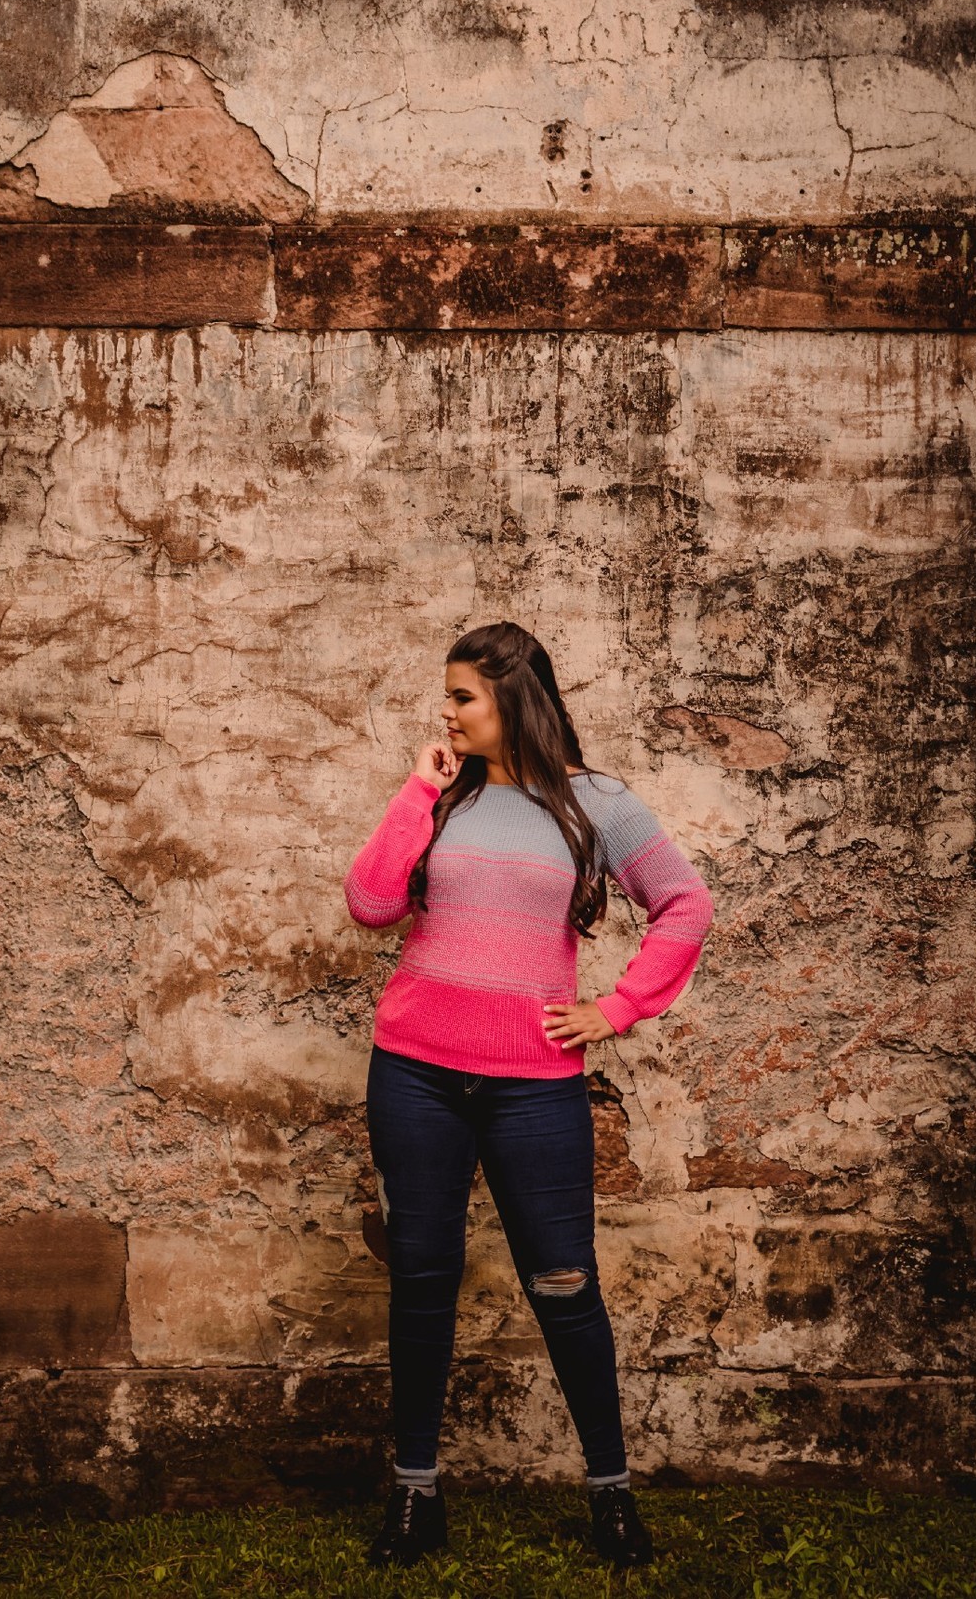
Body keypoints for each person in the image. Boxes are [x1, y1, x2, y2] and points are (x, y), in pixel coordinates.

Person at [342, 620, 715, 1570]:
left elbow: (684, 903)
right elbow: (374, 903)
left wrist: (618, 1008)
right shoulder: (443, 797)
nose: (449, 711)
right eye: (450, 696)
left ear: (516, 699)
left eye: (463, 696)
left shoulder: (596, 805)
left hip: (534, 1089)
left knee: (565, 1285)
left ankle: (611, 1499)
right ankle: (416, 1497)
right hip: (415, 1072)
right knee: (422, 1284)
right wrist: (419, 788)